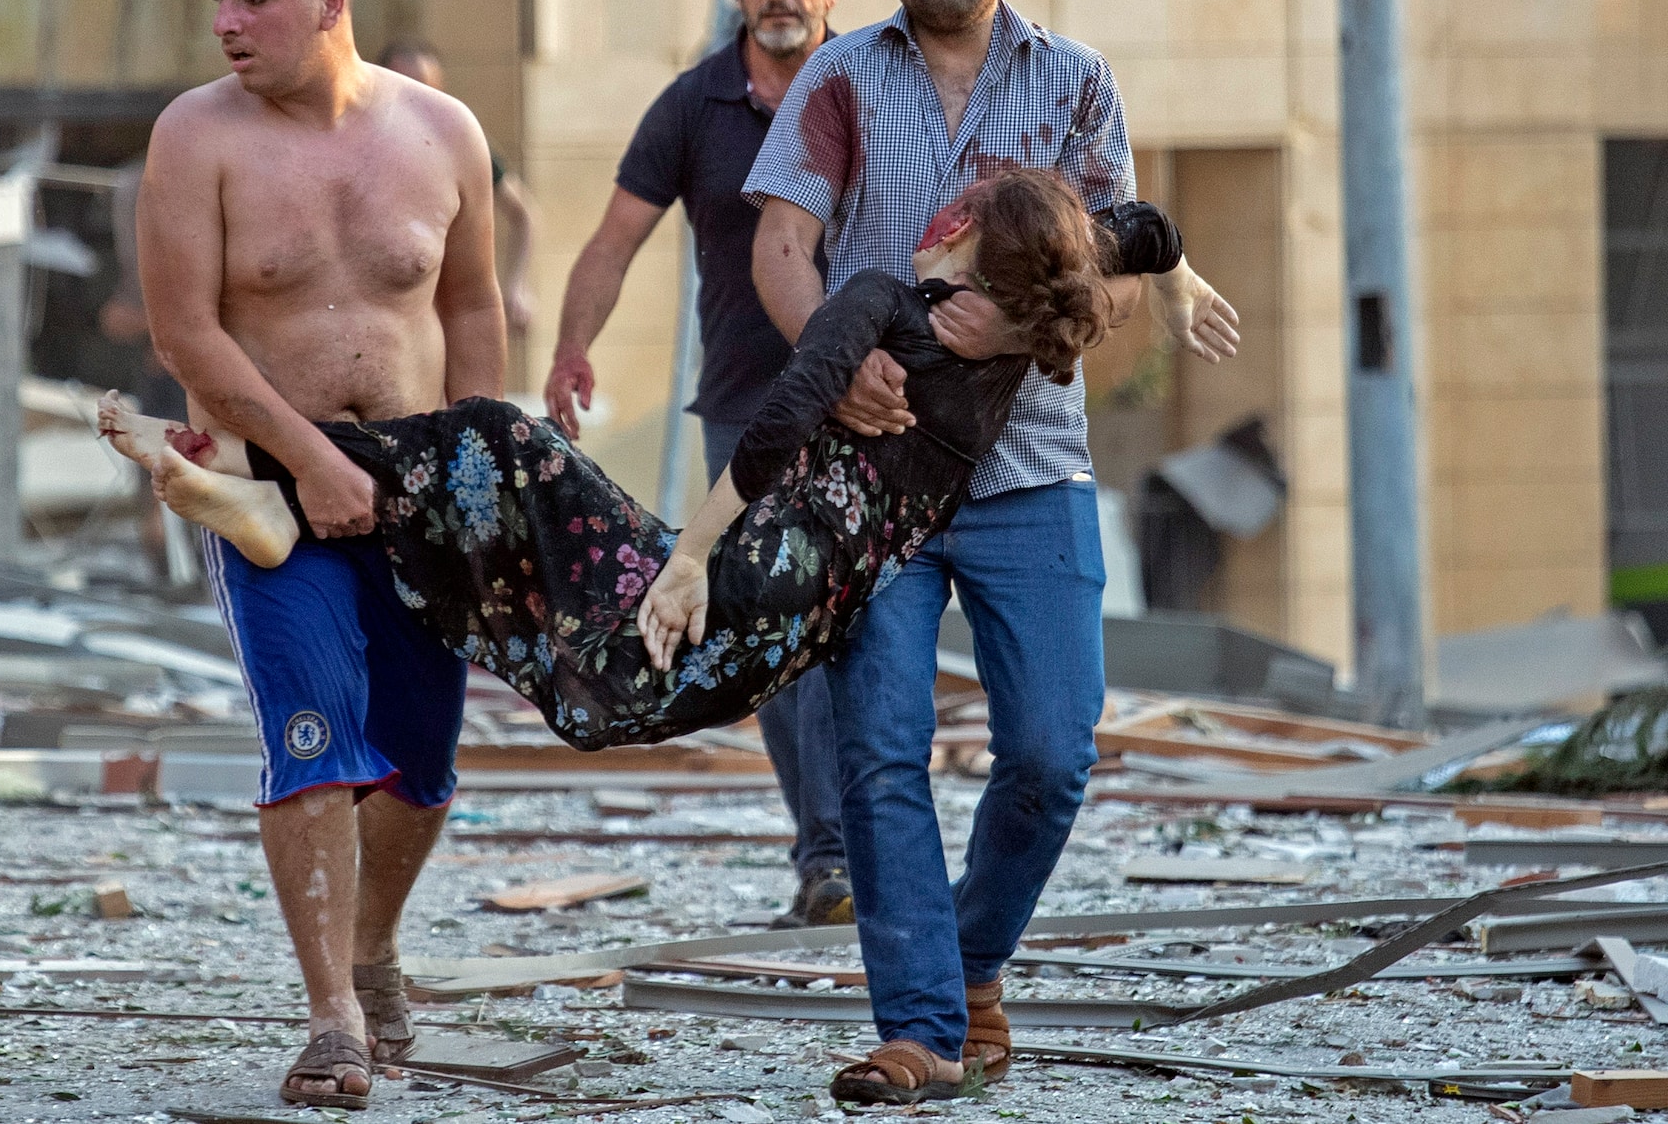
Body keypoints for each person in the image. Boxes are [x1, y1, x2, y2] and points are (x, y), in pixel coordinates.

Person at [100, 171, 1180, 758]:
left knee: (501, 440)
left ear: (969, 242)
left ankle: (271, 475)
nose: (937, 217)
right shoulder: (1022, 340)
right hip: (797, 620)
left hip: (741, 574)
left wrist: (686, 563)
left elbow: (774, 430)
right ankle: (274, 491)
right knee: (504, 462)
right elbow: (1142, 230)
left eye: (961, 213)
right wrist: (1181, 286)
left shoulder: (879, 305)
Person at [744, 0, 1241, 1103]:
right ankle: (917, 1027)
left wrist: (1015, 333)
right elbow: (782, 244)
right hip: (881, 479)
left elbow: (1116, 264)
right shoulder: (839, 76)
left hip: (1031, 470)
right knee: (877, 749)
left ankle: (967, 960)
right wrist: (838, 362)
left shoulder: (1075, 83)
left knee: (1050, 751)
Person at [135, 0, 506, 1110]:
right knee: (311, 738)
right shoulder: (197, 136)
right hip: (268, 499)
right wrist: (310, 458)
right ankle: (332, 1017)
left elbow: (467, 310)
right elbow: (187, 334)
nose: (228, 23)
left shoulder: (443, 130)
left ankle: (373, 943)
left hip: (415, 494)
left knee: (422, 762)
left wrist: (481, 473)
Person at [541, 0, 856, 928]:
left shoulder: (876, 83)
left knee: (861, 632)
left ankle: (867, 843)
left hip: (872, 403)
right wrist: (570, 348)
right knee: (771, 633)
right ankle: (825, 857)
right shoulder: (692, 105)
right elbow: (611, 239)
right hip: (745, 410)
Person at [376, 39, 540, 335]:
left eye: (429, 92)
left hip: (445, 308)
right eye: (408, 91)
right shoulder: (361, 145)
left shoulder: (458, 144)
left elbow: (524, 213)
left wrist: (517, 286)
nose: (418, 105)